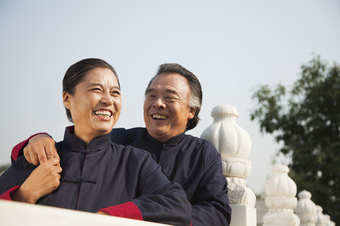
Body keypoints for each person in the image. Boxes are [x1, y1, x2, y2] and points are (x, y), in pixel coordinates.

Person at [11, 63, 232, 226]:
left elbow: (217, 211)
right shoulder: (119, 141)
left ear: (191, 111)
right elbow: (79, 145)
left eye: (170, 97)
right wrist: (36, 139)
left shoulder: (203, 154)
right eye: (151, 95)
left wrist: (151, 220)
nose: (158, 103)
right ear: (67, 98)